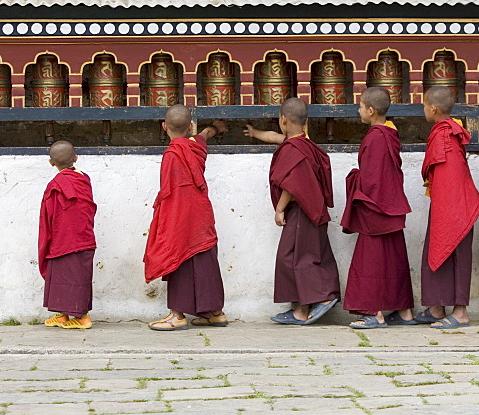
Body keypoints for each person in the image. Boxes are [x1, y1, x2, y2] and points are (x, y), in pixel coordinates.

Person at [245, 98, 341, 326]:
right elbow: (274, 137)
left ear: (283, 119)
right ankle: (307, 303)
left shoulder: (293, 150)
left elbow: (292, 184)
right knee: (307, 254)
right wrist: (255, 132)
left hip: (301, 210)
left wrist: (279, 209)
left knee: (297, 257)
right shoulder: (303, 143)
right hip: (312, 209)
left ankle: (312, 303)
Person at [144, 105, 228, 331]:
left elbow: (170, 191)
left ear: (164, 127)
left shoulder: (172, 154)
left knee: (178, 257)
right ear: (190, 126)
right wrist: (215, 128)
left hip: (180, 214)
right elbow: (204, 135)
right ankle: (215, 313)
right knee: (204, 260)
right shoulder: (195, 146)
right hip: (201, 212)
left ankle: (177, 315)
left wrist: (166, 221)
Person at [341, 86, 414, 328]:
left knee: (369, 261)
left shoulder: (374, 137)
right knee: (394, 259)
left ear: (371, 111)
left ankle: (374, 313)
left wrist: (354, 178)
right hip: (393, 205)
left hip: (377, 209)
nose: (358, 110)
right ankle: (404, 312)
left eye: (360, 106)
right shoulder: (390, 134)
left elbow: (371, 180)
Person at [415, 86, 479, 330]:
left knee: (457, 257)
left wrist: (450, 213)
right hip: (445, 203)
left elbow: (451, 177)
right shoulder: (445, 132)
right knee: (435, 251)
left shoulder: (445, 136)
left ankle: (461, 312)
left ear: (433, 108)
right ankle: (436, 307)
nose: (423, 109)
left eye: (424, 105)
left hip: (456, 206)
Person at [38, 141, 98, 329]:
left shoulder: (55, 184)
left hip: (63, 238)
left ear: (51, 163)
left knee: (72, 277)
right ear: (75, 158)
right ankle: (63, 315)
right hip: (81, 236)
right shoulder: (83, 179)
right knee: (66, 276)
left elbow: (47, 214)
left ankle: (82, 318)